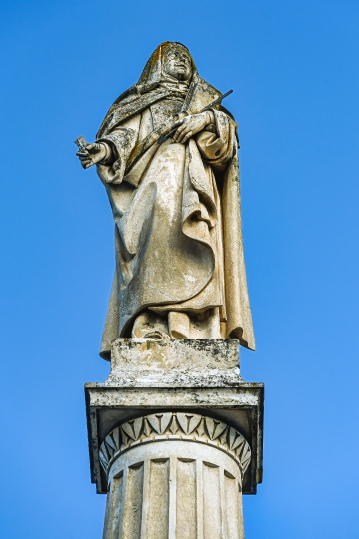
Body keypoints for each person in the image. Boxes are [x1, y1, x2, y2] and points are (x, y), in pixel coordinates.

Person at [76, 41, 255, 359]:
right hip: (154, 185)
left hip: (193, 182)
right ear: (157, 65)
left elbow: (227, 142)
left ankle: (197, 325)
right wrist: (101, 150)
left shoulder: (205, 100)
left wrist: (207, 121)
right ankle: (152, 322)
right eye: (173, 57)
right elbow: (123, 138)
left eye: (186, 57)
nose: (181, 62)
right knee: (155, 248)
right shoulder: (144, 101)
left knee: (195, 242)